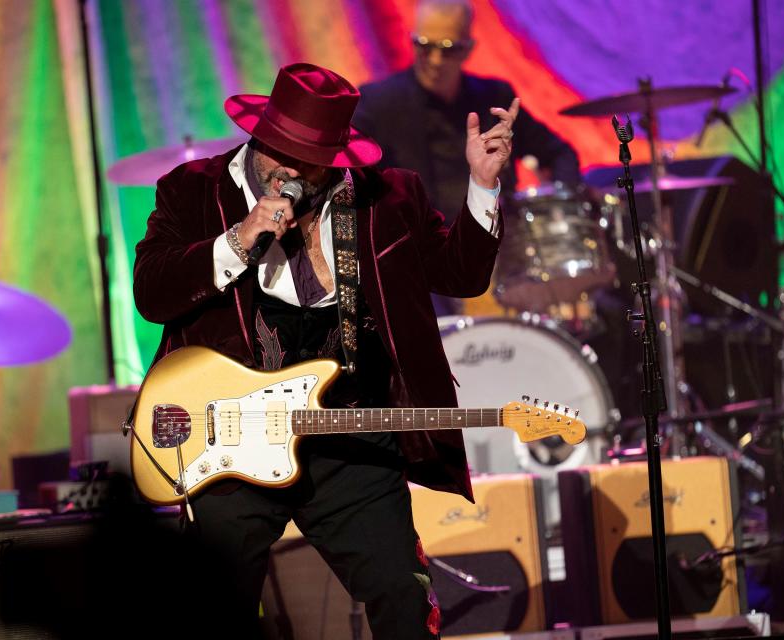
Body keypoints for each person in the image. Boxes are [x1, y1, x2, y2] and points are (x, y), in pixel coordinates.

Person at [133, 62, 516, 638]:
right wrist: (238, 239)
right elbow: (152, 292)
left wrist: (483, 183)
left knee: (403, 600)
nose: (286, 169)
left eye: (306, 161)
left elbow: (460, 275)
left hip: (349, 437)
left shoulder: (386, 198)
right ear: (257, 134)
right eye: (278, 151)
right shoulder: (193, 192)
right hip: (233, 444)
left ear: (336, 159)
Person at [353, 0, 580, 227]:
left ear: (468, 49)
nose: (435, 60)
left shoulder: (496, 97)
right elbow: (346, 180)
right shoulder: (377, 103)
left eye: (448, 49)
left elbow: (560, 154)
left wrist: (561, 211)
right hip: (421, 251)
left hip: (498, 245)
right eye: (424, 46)